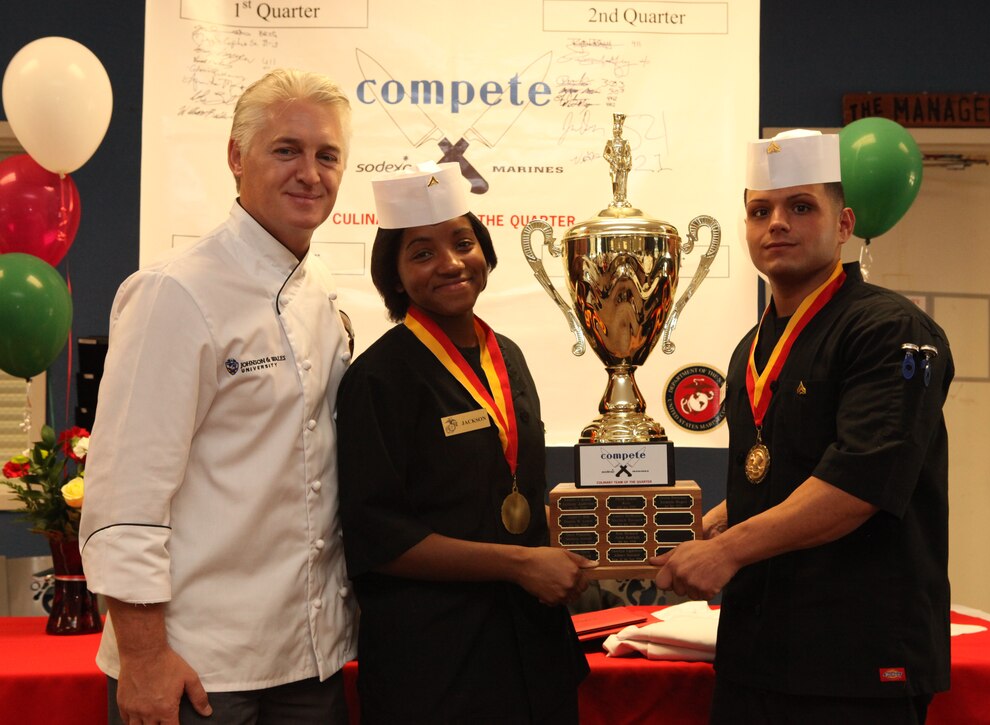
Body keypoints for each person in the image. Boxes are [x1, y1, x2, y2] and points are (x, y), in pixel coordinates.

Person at [79, 68, 357, 724]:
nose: (309, 174)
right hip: (195, 666)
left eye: (327, 155)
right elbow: (125, 494)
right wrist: (145, 657)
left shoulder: (326, 294)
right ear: (237, 156)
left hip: (309, 660)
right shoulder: (176, 293)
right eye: (285, 149)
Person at [652, 129, 953, 724]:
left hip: (857, 662)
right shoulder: (750, 349)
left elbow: (861, 482)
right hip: (755, 653)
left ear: (844, 225)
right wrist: (727, 515)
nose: (776, 224)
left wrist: (730, 551)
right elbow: (784, 466)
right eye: (759, 211)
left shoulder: (890, 329)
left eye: (800, 207)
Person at [336, 161, 594, 723]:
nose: (451, 263)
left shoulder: (509, 356)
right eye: (422, 252)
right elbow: (377, 538)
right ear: (395, 275)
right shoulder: (378, 379)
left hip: (532, 651)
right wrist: (519, 565)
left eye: (463, 242)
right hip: (435, 668)